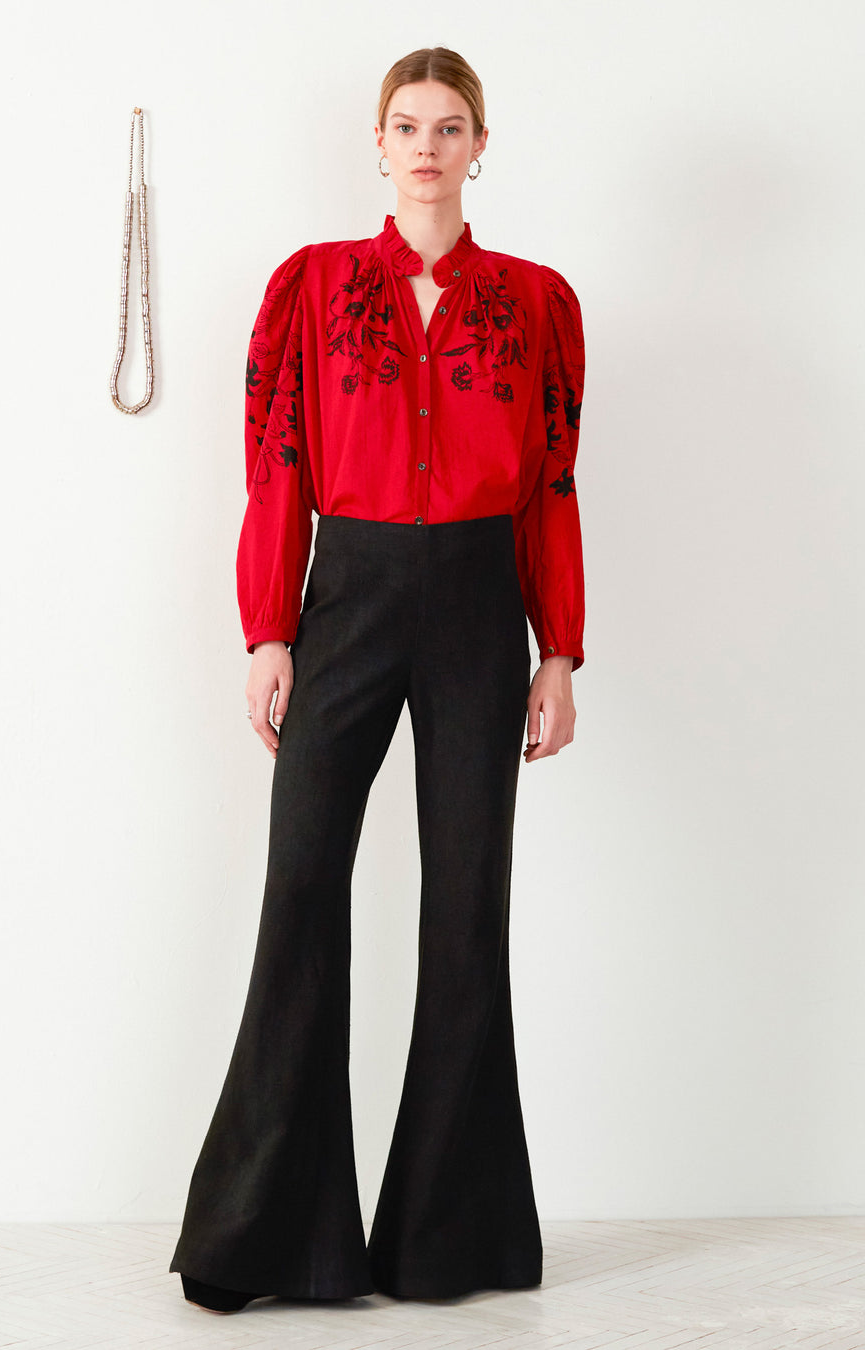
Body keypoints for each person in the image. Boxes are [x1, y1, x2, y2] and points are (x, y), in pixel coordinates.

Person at [168, 44, 586, 1314]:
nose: (427, 147)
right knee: (302, 890)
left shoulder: (537, 302)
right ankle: (271, 1241)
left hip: (477, 609)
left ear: (480, 146)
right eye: (408, 125)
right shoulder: (310, 286)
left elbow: (550, 485)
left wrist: (558, 650)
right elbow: (277, 465)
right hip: (344, 600)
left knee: (466, 911)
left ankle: (448, 1243)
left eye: (450, 127)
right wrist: (268, 632)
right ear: (378, 140)